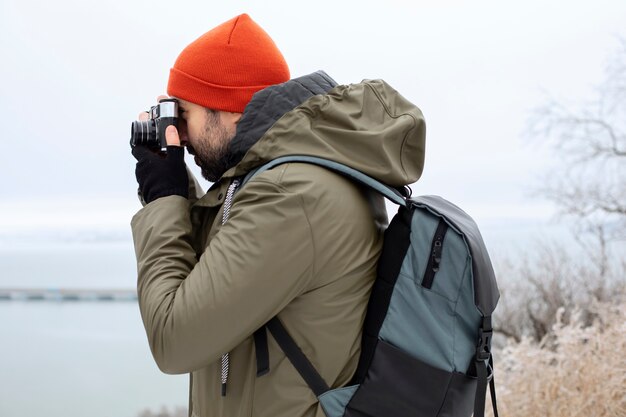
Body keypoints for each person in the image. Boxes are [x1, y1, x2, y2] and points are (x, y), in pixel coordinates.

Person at [130, 13, 425, 417]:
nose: (179, 133)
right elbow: (215, 277)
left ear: (230, 110)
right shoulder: (287, 178)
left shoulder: (291, 195)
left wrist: (163, 197)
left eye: (184, 114)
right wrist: (173, 184)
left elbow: (174, 338)